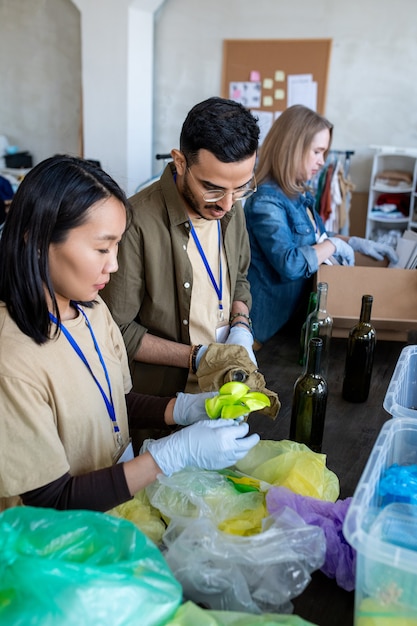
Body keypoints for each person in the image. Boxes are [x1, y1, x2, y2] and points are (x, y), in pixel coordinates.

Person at [0, 155, 259, 513]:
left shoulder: (91, 309)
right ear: (38, 239)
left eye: (117, 245)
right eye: (102, 248)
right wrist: (168, 457)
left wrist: (185, 410)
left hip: (114, 513)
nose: (114, 264)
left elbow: (114, 404)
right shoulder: (13, 360)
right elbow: (50, 500)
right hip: (53, 548)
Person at [101, 97, 260, 400]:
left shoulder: (232, 208)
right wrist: (197, 357)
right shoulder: (136, 223)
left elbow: (238, 279)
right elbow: (117, 331)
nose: (226, 205)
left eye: (240, 188)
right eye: (212, 188)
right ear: (180, 162)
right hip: (166, 400)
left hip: (226, 386)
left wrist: (241, 325)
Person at [243, 105, 398, 346]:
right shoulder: (266, 201)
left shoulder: (296, 195)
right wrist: (334, 244)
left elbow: (318, 237)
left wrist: (354, 242)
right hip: (266, 332)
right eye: (317, 151)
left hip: (292, 322)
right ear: (292, 148)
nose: (322, 161)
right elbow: (290, 263)